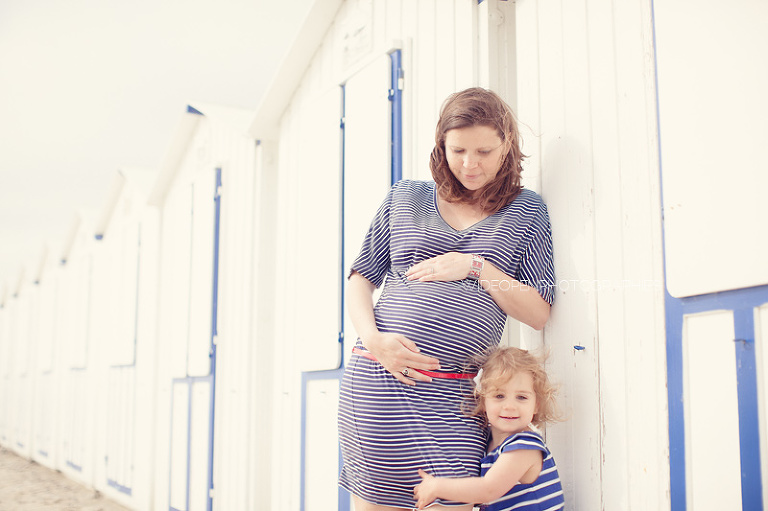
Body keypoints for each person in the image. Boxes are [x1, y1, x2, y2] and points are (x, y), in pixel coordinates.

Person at [337, 87, 556, 510]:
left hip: (451, 399)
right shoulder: (405, 197)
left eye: (483, 151)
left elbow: (538, 311)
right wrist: (375, 340)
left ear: (507, 144)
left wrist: (476, 266)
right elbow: (360, 277)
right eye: (457, 150)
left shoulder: (527, 212)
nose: (469, 164)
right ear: (441, 144)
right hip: (378, 382)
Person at [413, 347, 565, 510]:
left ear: (536, 405)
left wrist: (437, 487)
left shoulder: (525, 445)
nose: (509, 406)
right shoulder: (486, 443)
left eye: (521, 397)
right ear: (483, 401)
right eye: (499, 396)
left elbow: (488, 489)